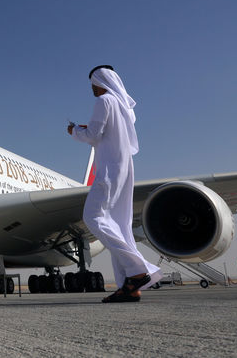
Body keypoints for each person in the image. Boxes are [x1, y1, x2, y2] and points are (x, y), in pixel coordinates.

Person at [68, 65, 161, 303]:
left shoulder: (104, 102)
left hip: (109, 169)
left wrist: (74, 130)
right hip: (124, 168)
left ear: (101, 81)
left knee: (94, 217)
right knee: (119, 225)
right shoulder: (123, 107)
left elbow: (94, 135)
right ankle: (128, 287)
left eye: (93, 82)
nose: (92, 87)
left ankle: (137, 270)